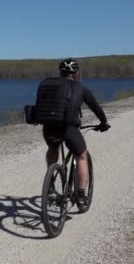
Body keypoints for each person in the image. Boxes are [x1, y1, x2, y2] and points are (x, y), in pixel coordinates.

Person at [42, 58, 110, 209]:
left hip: (49, 128)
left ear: (61, 73)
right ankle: (80, 196)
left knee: (53, 148)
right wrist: (104, 123)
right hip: (69, 129)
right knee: (81, 155)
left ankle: (51, 184)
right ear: (77, 73)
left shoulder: (50, 86)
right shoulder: (81, 88)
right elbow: (96, 108)